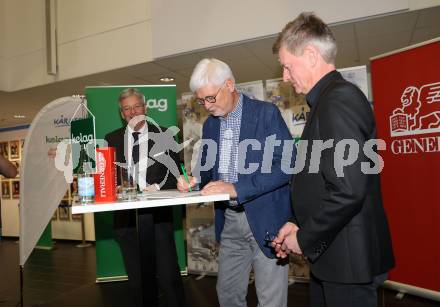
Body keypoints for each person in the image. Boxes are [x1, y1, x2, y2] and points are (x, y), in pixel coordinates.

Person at [271, 12, 395, 307]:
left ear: (311, 55)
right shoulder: (327, 100)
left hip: (347, 262)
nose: (285, 77)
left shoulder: (338, 100)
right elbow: (322, 182)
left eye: (288, 67)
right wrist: (296, 224)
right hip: (336, 257)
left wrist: (304, 238)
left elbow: (348, 190)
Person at [177, 58, 295, 307]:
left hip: (266, 219)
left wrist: (237, 188)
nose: (207, 106)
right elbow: (207, 171)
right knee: (228, 295)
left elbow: (287, 165)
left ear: (229, 84)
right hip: (229, 223)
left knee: (270, 300)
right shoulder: (210, 125)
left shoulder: (265, 114)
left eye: (211, 98)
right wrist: (194, 180)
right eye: (201, 101)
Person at [104, 88, 185, 307]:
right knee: (137, 282)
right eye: (127, 109)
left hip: (158, 217)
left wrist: (157, 186)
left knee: (169, 277)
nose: (132, 112)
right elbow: (106, 175)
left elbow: (177, 173)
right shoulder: (111, 138)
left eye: (136, 106)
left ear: (145, 108)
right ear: (122, 113)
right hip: (126, 219)